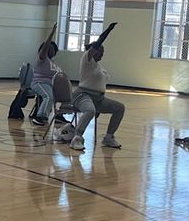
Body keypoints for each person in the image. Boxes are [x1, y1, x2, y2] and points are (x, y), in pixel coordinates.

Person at [57, 22, 125, 152]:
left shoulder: (100, 67)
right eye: (100, 51)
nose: (102, 53)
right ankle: (77, 138)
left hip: (99, 99)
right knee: (90, 110)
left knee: (119, 108)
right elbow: (98, 42)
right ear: (92, 51)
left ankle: (108, 137)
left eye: (103, 52)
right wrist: (108, 31)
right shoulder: (87, 60)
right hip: (82, 95)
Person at [29, 24, 62, 125]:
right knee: (48, 96)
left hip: (51, 85)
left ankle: (59, 116)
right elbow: (45, 47)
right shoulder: (42, 59)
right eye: (49, 48)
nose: (50, 50)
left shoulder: (53, 63)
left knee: (62, 97)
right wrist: (52, 33)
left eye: (52, 49)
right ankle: (40, 117)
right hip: (39, 83)